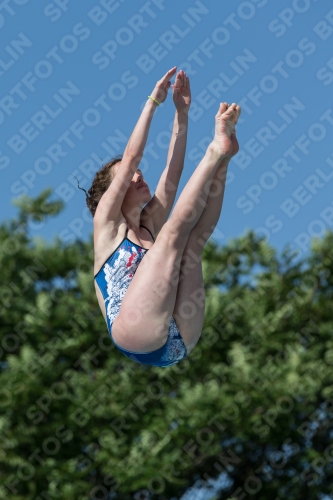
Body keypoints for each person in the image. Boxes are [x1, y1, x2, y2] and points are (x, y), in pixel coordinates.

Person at [85, 67, 241, 367]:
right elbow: (131, 158)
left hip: (177, 340)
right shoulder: (106, 225)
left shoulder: (149, 223)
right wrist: (152, 102)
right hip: (134, 332)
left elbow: (174, 172)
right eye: (129, 178)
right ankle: (214, 150)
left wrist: (181, 114)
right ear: (112, 192)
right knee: (171, 237)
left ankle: (222, 158)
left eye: (139, 174)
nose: (138, 176)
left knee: (192, 243)